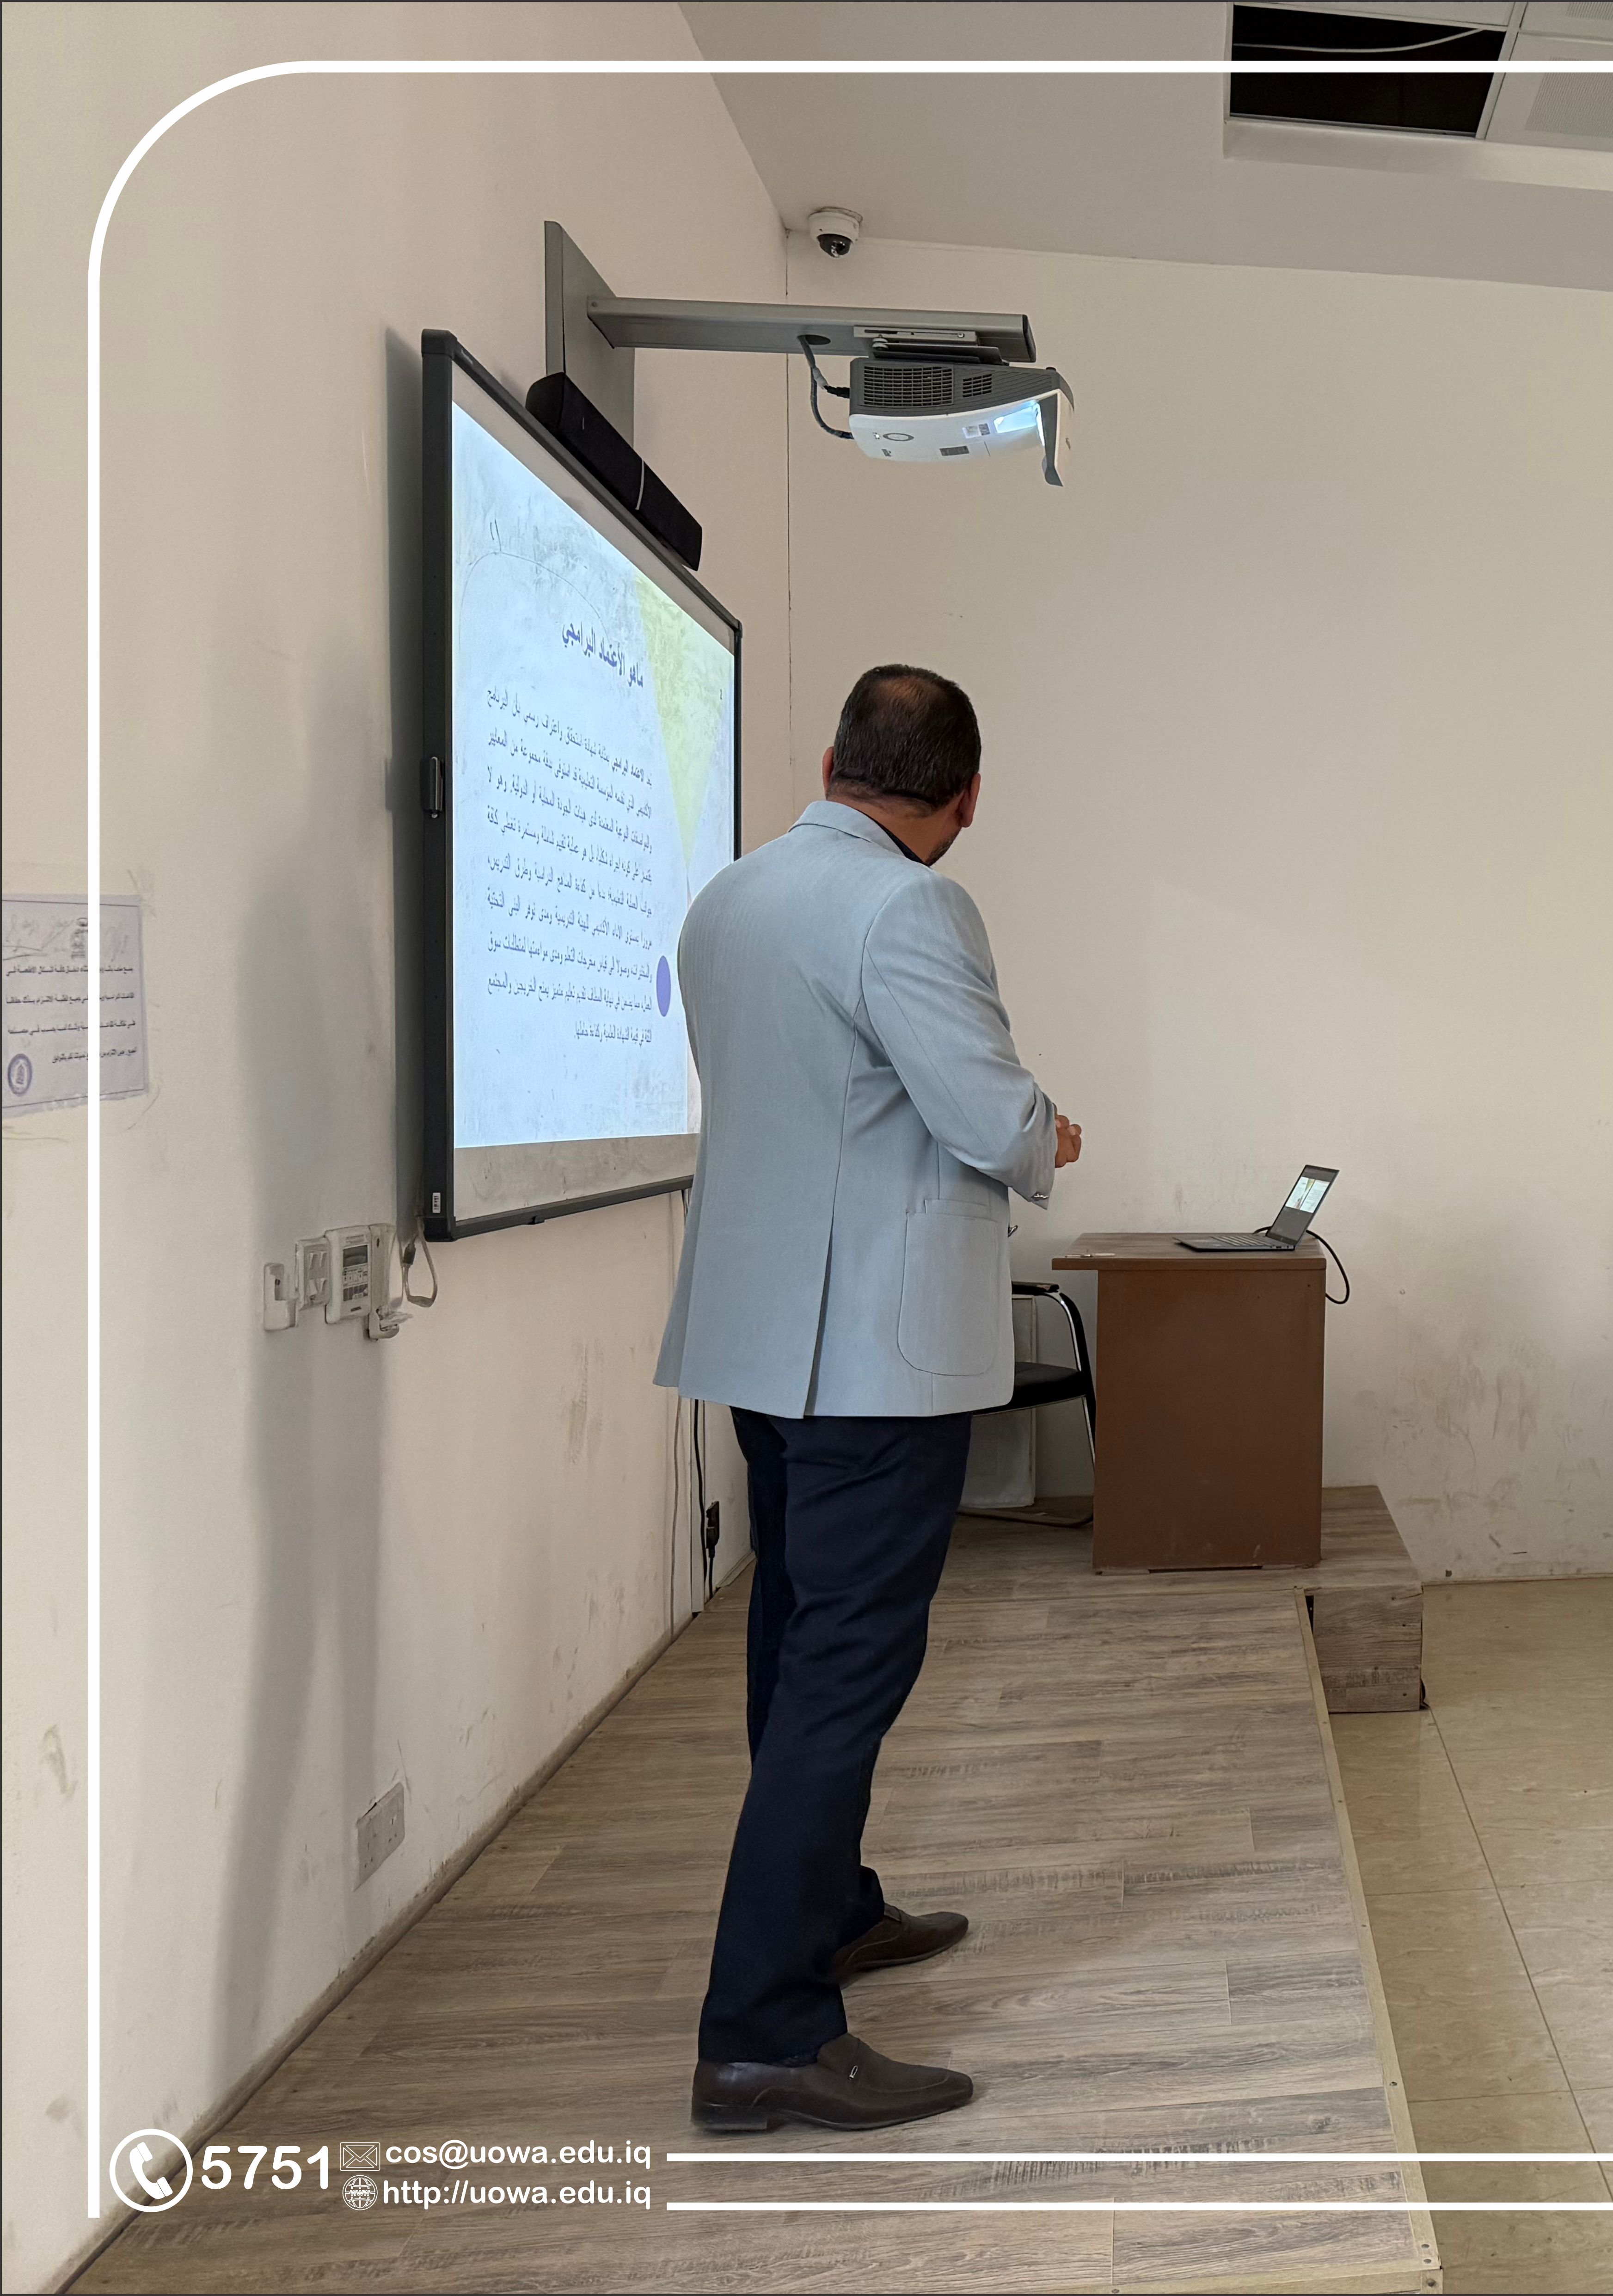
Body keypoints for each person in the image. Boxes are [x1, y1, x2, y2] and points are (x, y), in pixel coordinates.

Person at [657, 665, 1080, 2134]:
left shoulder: (725, 899)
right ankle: (764, 2030)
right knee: (848, 1668)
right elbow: (986, 1113)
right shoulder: (912, 907)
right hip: (872, 1357)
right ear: (964, 798)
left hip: (763, 1339)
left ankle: (828, 1910)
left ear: (836, 758)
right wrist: (1048, 1129)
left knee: (795, 1635)